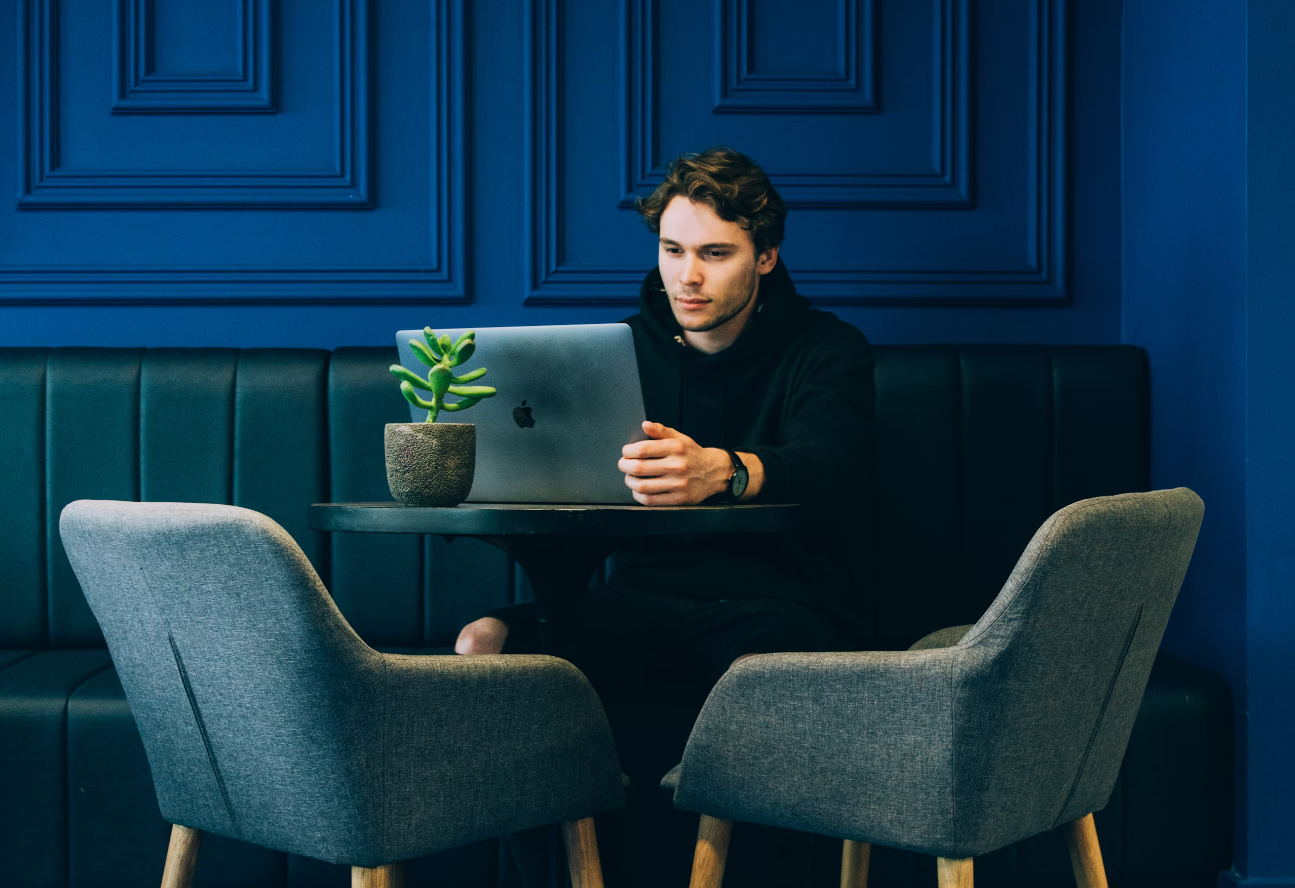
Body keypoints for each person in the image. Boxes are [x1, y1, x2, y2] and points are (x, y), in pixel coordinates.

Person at [456, 147, 875, 885]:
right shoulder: (616, 353)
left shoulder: (825, 349)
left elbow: (833, 467)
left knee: (771, 670)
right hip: (640, 601)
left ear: (766, 256)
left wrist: (726, 468)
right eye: (672, 250)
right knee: (484, 643)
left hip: (777, 603)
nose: (687, 276)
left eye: (715, 254)